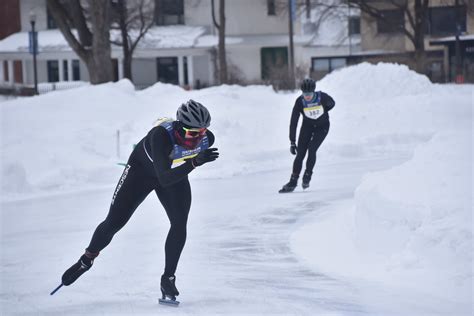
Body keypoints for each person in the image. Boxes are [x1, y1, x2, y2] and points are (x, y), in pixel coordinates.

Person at [60, 100, 219, 302]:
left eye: (203, 131)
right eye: (193, 133)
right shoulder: (160, 137)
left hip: (172, 175)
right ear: (180, 127)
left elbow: (170, 175)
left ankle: (168, 279)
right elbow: (163, 178)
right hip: (141, 174)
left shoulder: (206, 139)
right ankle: (86, 259)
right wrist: (195, 162)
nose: (199, 138)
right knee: (114, 223)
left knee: (179, 224)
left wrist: (193, 160)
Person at [279, 78, 335, 193]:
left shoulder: (322, 97)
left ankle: (307, 175)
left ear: (313, 92)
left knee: (312, 149)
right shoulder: (300, 102)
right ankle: (293, 181)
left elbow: (332, 103)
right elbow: (293, 122)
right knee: (300, 154)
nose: (307, 96)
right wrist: (292, 141)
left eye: (309, 94)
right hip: (307, 127)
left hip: (322, 127)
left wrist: (324, 112)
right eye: (305, 94)